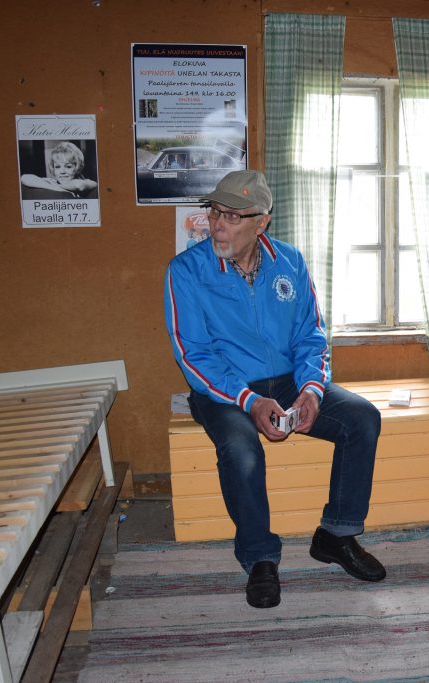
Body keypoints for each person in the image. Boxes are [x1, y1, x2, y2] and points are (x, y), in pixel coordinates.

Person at [164, 170, 386, 610]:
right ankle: (260, 557)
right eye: (214, 212)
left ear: (261, 222)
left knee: (362, 418)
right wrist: (249, 400)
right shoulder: (186, 271)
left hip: (286, 380)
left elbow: (311, 336)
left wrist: (311, 391)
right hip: (223, 390)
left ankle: (336, 536)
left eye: (232, 216)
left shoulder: (290, 261)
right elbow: (193, 354)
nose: (217, 224)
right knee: (242, 449)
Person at [20, 141, 98, 198]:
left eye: (68, 167)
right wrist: (56, 188)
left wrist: (56, 186)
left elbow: (78, 186)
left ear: (77, 167)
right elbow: (24, 178)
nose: (62, 171)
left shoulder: (85, 182)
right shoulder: (52, 182)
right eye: (57, 167)